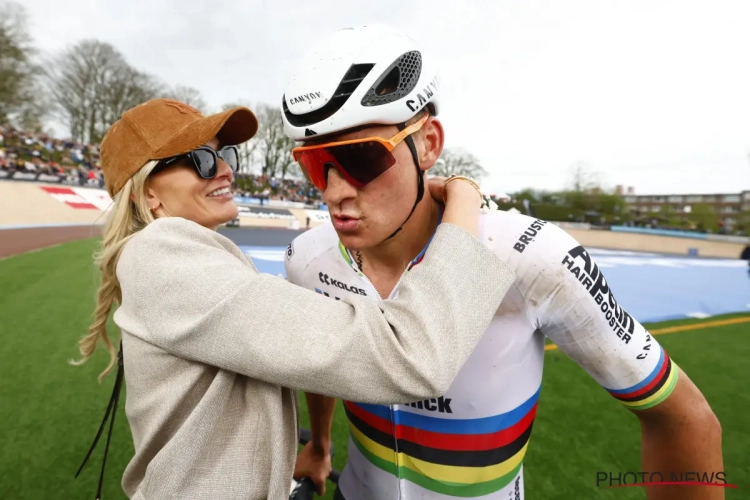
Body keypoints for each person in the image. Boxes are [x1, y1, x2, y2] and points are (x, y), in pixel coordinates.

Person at [281, 25, 724, 500]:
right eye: (314, 164)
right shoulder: (308, 259)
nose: (333, 191)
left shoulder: (535, 258)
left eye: (361, 160)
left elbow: (684, 416)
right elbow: (321, 362)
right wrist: (322, 443)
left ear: (428, 143)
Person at [72, 97, 518, 500]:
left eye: (227, 154)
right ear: (147, 191)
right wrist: (463, 198)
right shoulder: (162, 255)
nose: (226, 169)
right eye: (203, 160)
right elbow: (411, 355)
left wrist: (297, 458)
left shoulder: (179, 258)